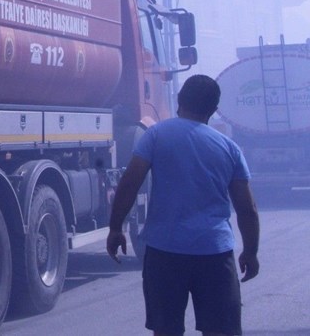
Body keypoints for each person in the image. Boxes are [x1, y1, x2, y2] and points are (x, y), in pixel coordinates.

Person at [107, 74, 260, 336]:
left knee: (166, 330)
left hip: (165, 254)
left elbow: (129, 183)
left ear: (179, 101)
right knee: (222, 331)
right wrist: (250, 252)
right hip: (215, 254)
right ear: (213, 109)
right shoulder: (229, 148)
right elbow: (247, 208)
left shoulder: (155, 135)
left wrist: (115, 228)